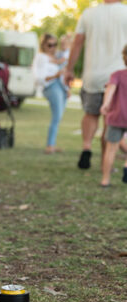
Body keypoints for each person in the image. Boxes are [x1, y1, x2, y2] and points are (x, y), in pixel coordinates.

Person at [64, 0, 127, 170]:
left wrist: (69, 69)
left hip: (92, 75)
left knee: (91, 114)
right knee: (110, 121)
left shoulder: (88, 14)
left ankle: (86, 147)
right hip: (119, 76)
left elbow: (77, 42)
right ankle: (105, 164)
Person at [34, 34, 67, 154]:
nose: (52, 47)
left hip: (61, 86)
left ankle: (52, 143)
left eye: (54, 44)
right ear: (43, 45)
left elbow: (67, 51)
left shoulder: (56, 57)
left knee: (59, 116)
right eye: (49, 45)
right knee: (57, 116)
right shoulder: (41, 57)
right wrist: (56, 75)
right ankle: (50, 145)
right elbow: (39, 78)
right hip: (51, 86)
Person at [99, 45, 127, 187]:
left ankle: (105, 179)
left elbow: (110, 90)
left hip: (116, 117)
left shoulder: (116, 75)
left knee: (110, 149)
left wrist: (105, 104)